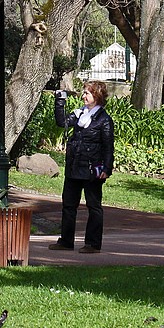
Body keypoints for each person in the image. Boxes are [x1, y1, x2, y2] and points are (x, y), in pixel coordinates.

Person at [48, 81, 115, 254]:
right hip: (74, 167)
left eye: (87, 93)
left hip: (92, 170)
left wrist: (107, 169)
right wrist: (60, 101)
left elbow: (108, 146)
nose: (84, 96)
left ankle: (93, 244)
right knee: (68, 205)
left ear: (97, 96)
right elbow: (61, 122)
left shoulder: (104, 120)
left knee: (94, 206)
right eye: (84, 92)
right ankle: (66, 241)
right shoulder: (79, 114)